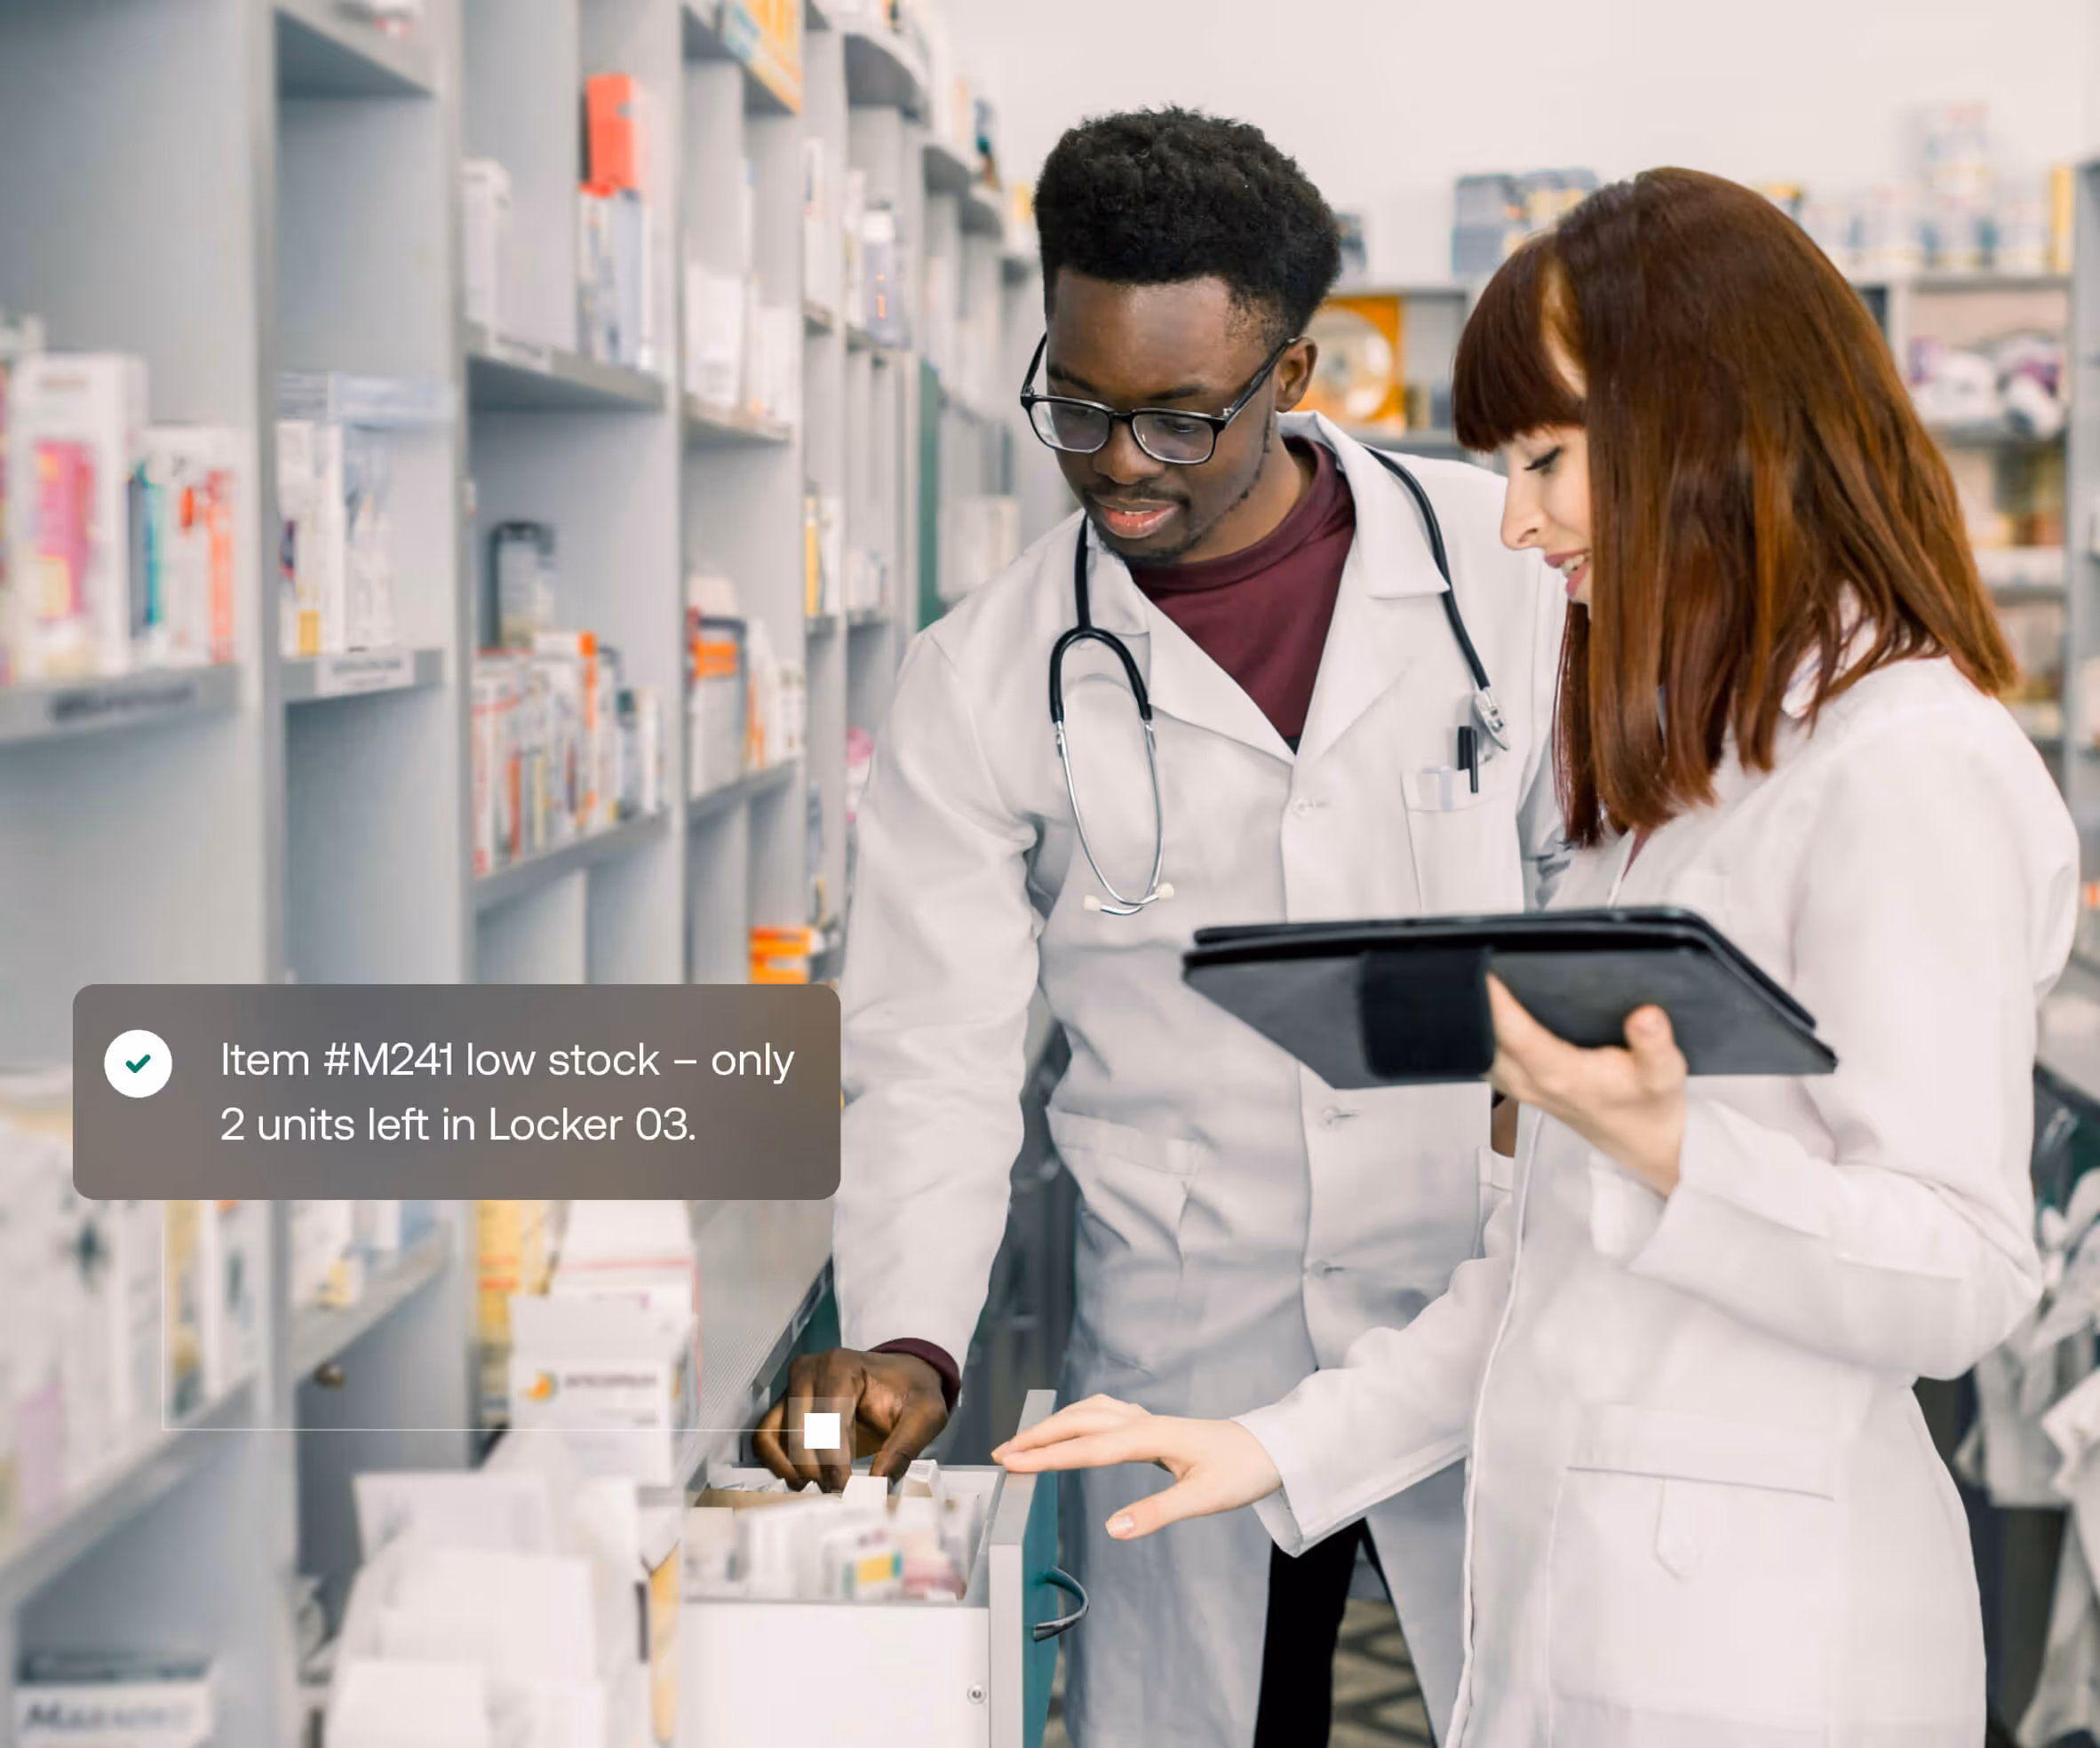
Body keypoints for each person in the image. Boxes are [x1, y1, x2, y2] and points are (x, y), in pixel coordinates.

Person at [996, 165, 2083, 1746]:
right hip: (1585, 1613)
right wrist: (1273, 1448)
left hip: (1767, 1648)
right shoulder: (1682, 770)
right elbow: (1539, 1274)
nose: (1514, 520)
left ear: (1717, 427)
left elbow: (1962, 1277)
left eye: (1549, 461)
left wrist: (1673, 1152)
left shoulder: (1907, 761)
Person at [753, 107, 1568, 1744]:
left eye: (1183, 421)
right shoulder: (979, 674)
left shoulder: (1510, 571)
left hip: (1481, 1305)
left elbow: (1601, 908)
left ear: (1299, 375)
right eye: (1082, 404)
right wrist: (909, 1329)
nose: (1121, 464)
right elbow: (935, 1049)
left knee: (1503, 1703)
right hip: (1199, 1330)